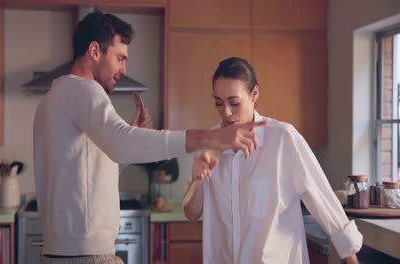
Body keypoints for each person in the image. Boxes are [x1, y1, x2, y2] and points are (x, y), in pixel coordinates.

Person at [33, 11, 266, 264]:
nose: (123, 69)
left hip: (58, 253)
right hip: (86, 255)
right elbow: (121, 143)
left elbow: (86, 170)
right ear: (95, 51)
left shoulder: (52, 99)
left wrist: (132, 138)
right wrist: (211, 138)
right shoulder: (85, 90)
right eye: (120, 58)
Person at [182, 57, 362, 264]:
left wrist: (351, 258)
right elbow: (191, 214)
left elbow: (321, 197)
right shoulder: (210, 143)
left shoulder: (283, 138)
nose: (226, 113)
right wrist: (197, 180)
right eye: (218, 103)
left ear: (254, 94)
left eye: (234, 103)